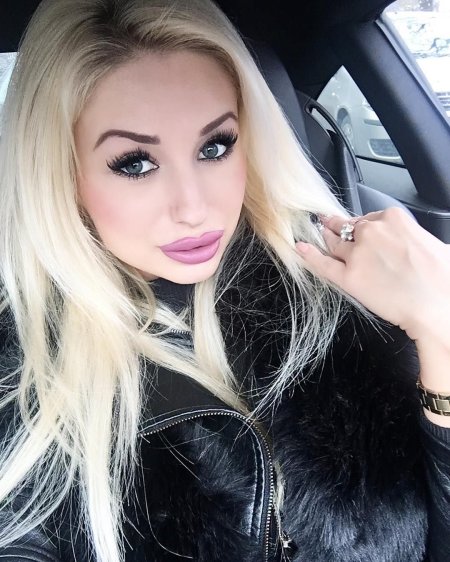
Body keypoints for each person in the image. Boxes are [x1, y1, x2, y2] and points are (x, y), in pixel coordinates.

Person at [0, 0, 449, 560]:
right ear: (62, 173)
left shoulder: (342, 298)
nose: (194, 208)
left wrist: (441, 330)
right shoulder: (23, 374)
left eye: (214, 147)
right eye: (135, 163)